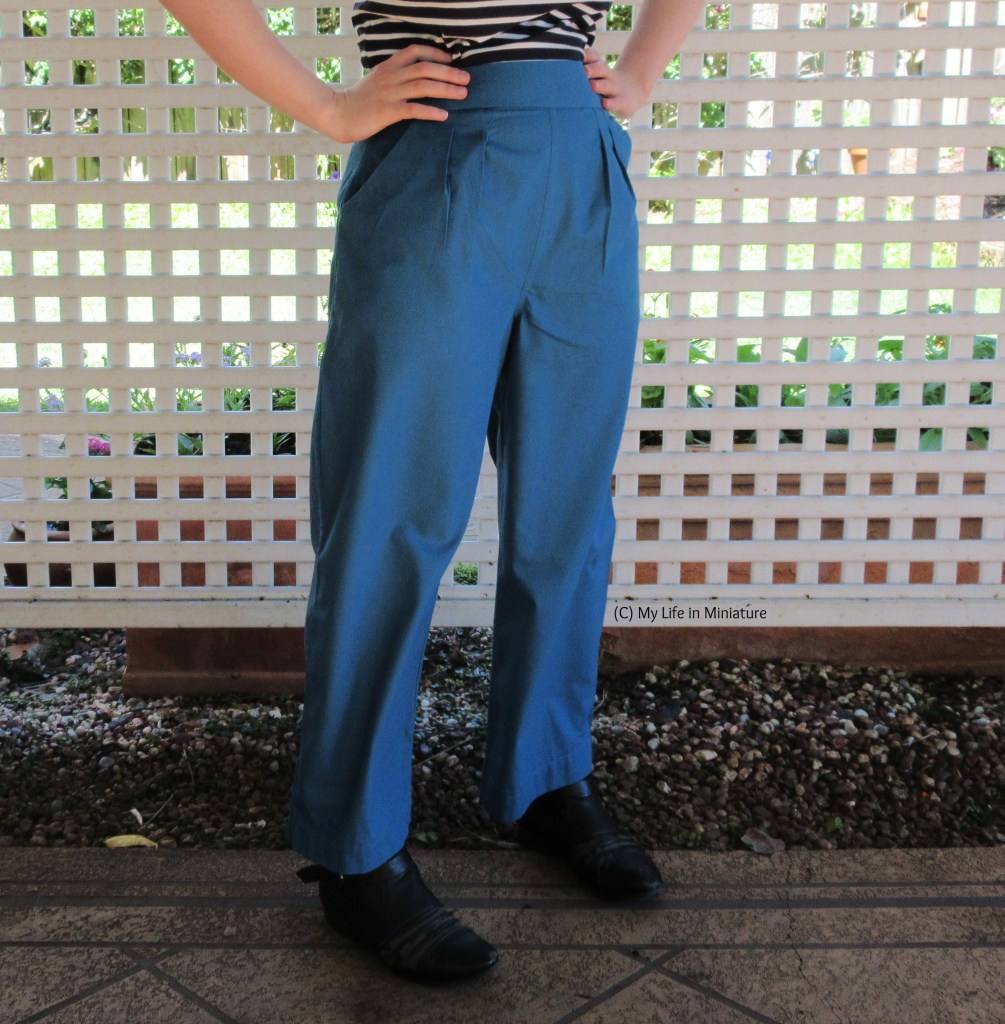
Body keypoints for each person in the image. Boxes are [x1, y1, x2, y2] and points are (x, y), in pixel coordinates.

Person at [160, 0, 704, 986]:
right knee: (388, 520)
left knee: (568, 514)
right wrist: (326, 108)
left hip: (582, 168)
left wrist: (643, 68)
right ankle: (355, 850)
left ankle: (544, 781)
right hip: (436, 150)